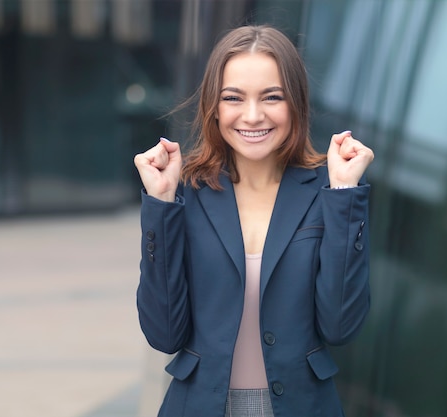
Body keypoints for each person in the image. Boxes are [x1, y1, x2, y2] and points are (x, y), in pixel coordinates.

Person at [133, 25, 374, 417]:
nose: (252, 115)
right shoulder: (185, 192)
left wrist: (345, 194)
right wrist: (160, 204)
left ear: (295, 102)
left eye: (271, 97)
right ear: (214, 105)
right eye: (233, 98)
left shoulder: (328, 193)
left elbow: (341, 326)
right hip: (201, 406)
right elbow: (163, 332)